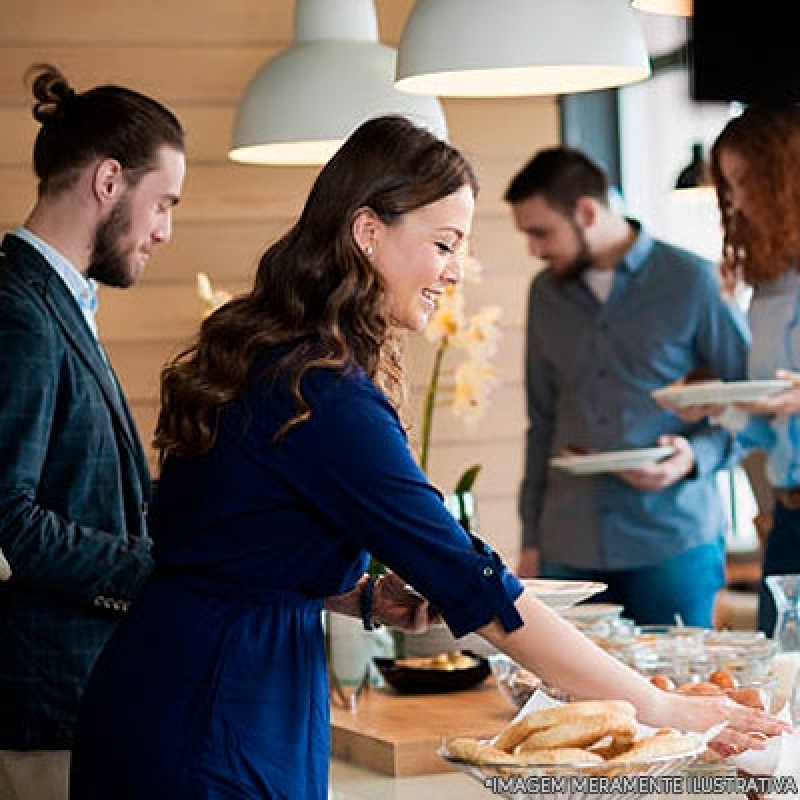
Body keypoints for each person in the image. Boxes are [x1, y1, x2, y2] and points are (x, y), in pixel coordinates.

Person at [69, 116, 786, 800]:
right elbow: (471, 580)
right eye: (444, 244)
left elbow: (233, 547)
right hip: (217, 705)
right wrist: (661, 710)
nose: (455, 271)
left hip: (174, 679)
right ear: (368, 233)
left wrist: (363, 597)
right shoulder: (325, 393)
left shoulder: (281, 358)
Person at [0, 64, 185, 800]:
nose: (166, 230)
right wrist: (163, 569)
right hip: (45, 709)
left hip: (86, 698)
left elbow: (88, 494)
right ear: (109, 181)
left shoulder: (58, 303)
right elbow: (10, 525)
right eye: (163, 202)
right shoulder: (18, 309)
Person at [506, 146, 751, 627]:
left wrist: (693, 458)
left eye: (540, 232)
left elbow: (751, 401)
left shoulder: (693, 281)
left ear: (587, 211)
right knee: (566, 697)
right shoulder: (544, 294)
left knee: (680, 691)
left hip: (672, 542)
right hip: (567, 544)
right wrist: (530, 539)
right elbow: (542, 420)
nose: (534, 249)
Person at [703, 104, 800, 636]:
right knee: (781, 679)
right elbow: (767, 425)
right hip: (787, 517)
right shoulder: (766, 290)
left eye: (745, 181)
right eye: (729, 184)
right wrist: (725, 406)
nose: (736, 200)